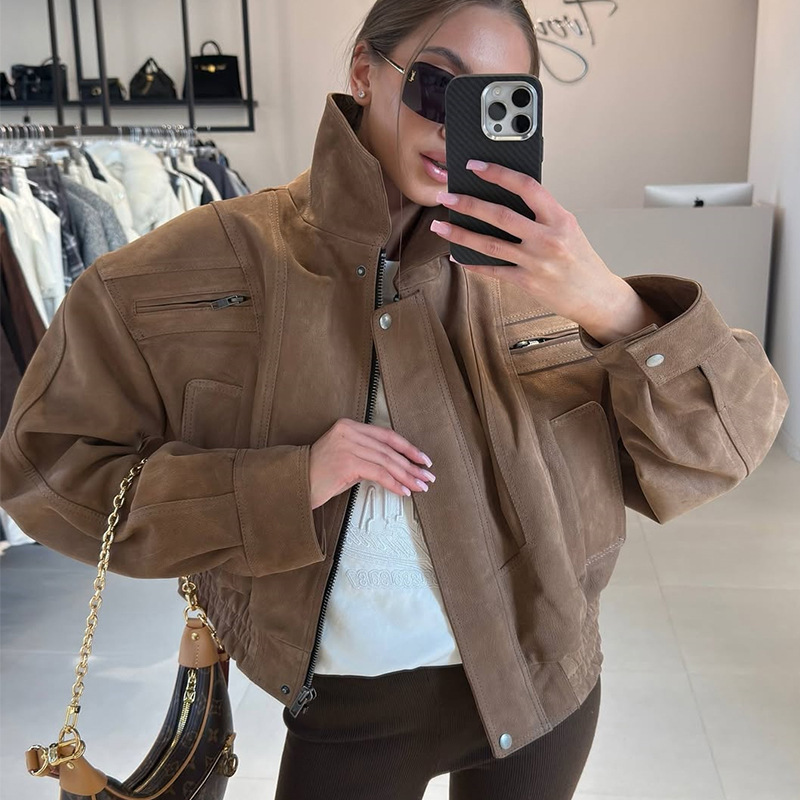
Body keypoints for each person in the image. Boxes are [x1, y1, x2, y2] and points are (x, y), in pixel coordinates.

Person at [0, 1, 789, 798]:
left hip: (546, 683)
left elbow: (724, 448)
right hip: (354, 707)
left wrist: (612, 304)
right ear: (364, 73)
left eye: (498, 98)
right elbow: (48, 470)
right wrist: (282, 484)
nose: (457, 125)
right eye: (440, 86)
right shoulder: (213, 264)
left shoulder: (547, 276)